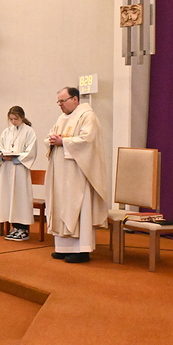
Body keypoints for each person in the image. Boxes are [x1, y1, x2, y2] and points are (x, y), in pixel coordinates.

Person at [44, 87, 108, 263]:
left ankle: (82, 250)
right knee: (61, 206)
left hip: (78, 173)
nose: (60, 105)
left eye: (62, 101)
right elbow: (50, 136)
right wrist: (51, 140)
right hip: (61, 173)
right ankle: (63, 248)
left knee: (78, 206)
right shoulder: (61, 118)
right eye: (58, 101)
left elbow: (88, 141)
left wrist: (63, 141)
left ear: (75, 99)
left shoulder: (87, 116)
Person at [0, 106, 38, 241]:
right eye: (11, 119)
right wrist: (2, 156)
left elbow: (31, 152)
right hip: (7, 170)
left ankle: (23, 229)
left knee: (20, 198)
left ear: (22, 117)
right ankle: (14, 227)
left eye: (16, 119)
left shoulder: (29, 132)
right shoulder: (7, 132)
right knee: (9, 197)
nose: (13, 122)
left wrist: (15, 158)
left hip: (19, 170)